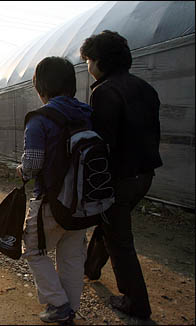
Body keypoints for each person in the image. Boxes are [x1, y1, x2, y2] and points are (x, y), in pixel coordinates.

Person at [80, 30, 163, 320]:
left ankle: (136, 302)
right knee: (110, 225)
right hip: (144, 175)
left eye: (88, 60)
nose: (87, 66)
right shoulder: (145, 88)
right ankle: (90, 268)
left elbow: (103, 144)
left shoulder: (103, 91)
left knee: (120, 239)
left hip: (120, 178)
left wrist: (92, 184)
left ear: (100, 61)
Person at [16, 56, 93, 324]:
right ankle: (69, 308)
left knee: (34, 249)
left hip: (51, 200)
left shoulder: (41, 118)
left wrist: (22, 171)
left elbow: (34, 163)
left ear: (40, 87)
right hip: (84, 201)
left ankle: (59, 305)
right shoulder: (87, 113)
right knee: (71, 255)